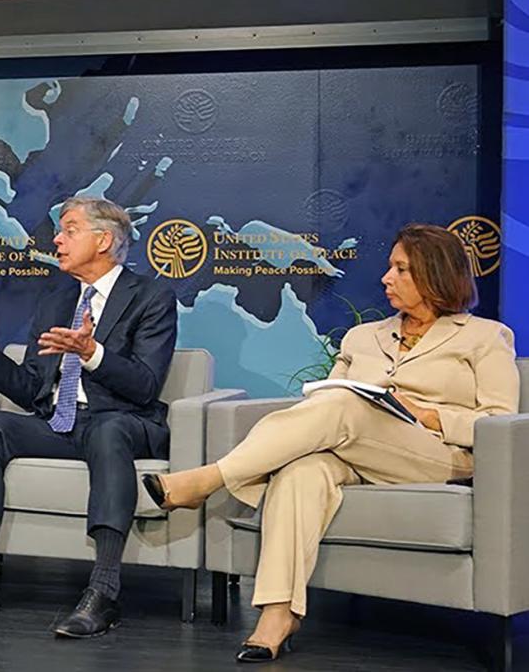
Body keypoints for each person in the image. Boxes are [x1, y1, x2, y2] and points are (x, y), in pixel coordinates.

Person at [146, 225, 518, 662]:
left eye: (400, 269)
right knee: (301, 469)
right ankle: (277, 615)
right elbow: (328, 401)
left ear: (434, 276)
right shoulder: (363, 338)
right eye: (390, 267)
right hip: (353, 447)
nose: (386, 278)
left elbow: (499, 421)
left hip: (434, 454)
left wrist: (427, 414)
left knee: (343, 405)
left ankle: (209, 479)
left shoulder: (485, 337)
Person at [0, 197, 177, 638]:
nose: (57, 239)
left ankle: (104, 591)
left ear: (104, 240)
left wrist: (92, 353)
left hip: (121, 422)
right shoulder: (58, 299)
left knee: (108, 429)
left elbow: (145, 385)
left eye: (70, 229)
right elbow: (31, 390)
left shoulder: (151, 297)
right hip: (60, 424)